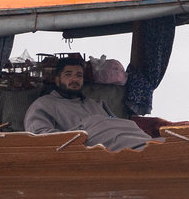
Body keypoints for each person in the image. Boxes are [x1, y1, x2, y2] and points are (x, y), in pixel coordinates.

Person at [24, 55, 153, 151]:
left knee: (133, 127)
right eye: (69, 74)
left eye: (79, 75)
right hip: (86, 148)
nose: (75, 79)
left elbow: (114, 125)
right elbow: (40, 139)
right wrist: (84, 131)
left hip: (119, 142)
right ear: (57, 80)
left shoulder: (95, 104)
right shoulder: (43, 104)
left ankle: (155, 147)